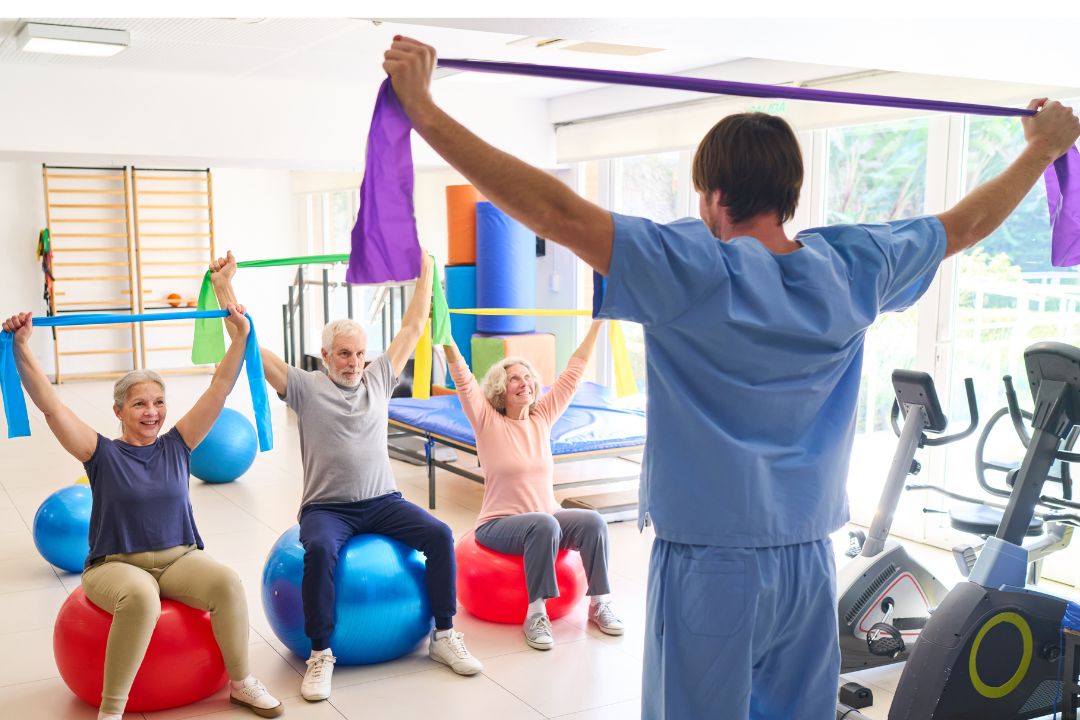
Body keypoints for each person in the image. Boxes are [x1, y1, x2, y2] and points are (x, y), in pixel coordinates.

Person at [380, 36, 1080, 719]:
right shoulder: (854, 267)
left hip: (710, 565)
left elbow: (556, 212)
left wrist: (426, 112)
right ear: (791, 192)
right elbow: (964, 225)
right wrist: (1040, 149)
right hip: (810, 561)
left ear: (714, 196)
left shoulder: (688, 267)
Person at [209, 251, 481, 703]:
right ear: (325, 356)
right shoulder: (304, 386)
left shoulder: (378, 378)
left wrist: (427, 266)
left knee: (438, 534)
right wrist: (224, 288)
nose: (354, 362)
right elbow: (249, 341)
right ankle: (320, 653)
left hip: (383, 501)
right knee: (316, 549)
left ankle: (443, 636)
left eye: (359, 353)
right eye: (344, 354)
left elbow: (414, 325)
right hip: (327, 508)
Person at [2, 306, 282, 720]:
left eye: (158, 402)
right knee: (140, 598)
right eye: (139, 404)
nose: (151, 412)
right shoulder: (100, 453)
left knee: (227, 583)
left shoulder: (178, 444)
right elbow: (51, 408)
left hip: (179, 559)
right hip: (114, 565)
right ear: (119, 412)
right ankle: (112, 711)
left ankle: (240, 683)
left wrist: (241, 334)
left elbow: (219, 388)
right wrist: (22, 348)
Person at [443, 320, 624, 650]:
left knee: (593, 522)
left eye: (528, 377)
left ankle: (599, 602)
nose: (524, 383)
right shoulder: (487, 420)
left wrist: (598, 323)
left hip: (546, 517)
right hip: (498, 524)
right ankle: (536, 614)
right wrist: (443, 335)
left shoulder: (542, 417)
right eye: (514, 378)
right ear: (501, 387)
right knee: (544, 526)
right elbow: (462, 376)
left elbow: (574, 372)